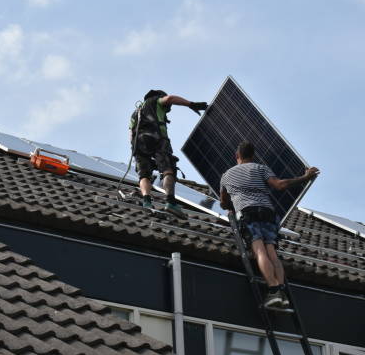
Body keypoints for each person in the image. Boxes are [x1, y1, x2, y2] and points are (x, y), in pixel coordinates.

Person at [220, 140, 319, 308]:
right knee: (271, 251)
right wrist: (305, 177)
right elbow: (280, 185)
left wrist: (231, 206)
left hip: (247, 212)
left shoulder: (227, 175)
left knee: (259, 251)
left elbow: (223, 202)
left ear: (237, 156)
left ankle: (273, 291)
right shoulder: (261, 168)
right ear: (253, 156)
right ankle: (281, 290)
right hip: (268, 213)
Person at [129, 90, 207, 218]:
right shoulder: (155, 101)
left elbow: (131, 135)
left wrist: (137, 151)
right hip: (157, 139)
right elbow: (170, 98)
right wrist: (191, 104)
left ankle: (147, 202)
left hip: (138, 144)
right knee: (167, 169)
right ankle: (170, 202)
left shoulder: (135, 113)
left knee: (144, 174)